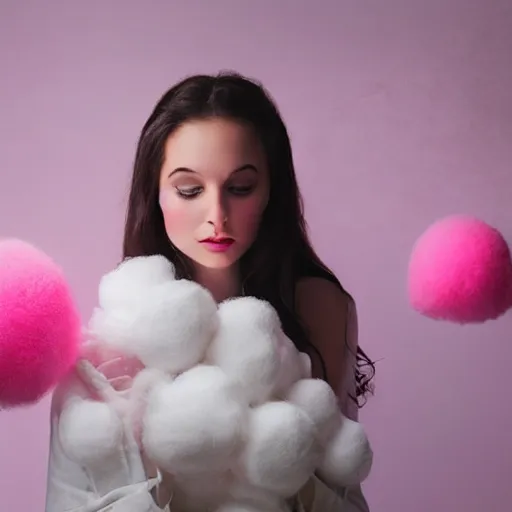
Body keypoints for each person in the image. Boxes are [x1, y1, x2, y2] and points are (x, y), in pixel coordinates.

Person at [45, 71, 376, 511]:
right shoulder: (120, 335)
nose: (216, 214)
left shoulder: (321, 308)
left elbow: (341, 485)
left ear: (271, 191)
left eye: (241, 188)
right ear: (156, 194)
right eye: (189, 189)